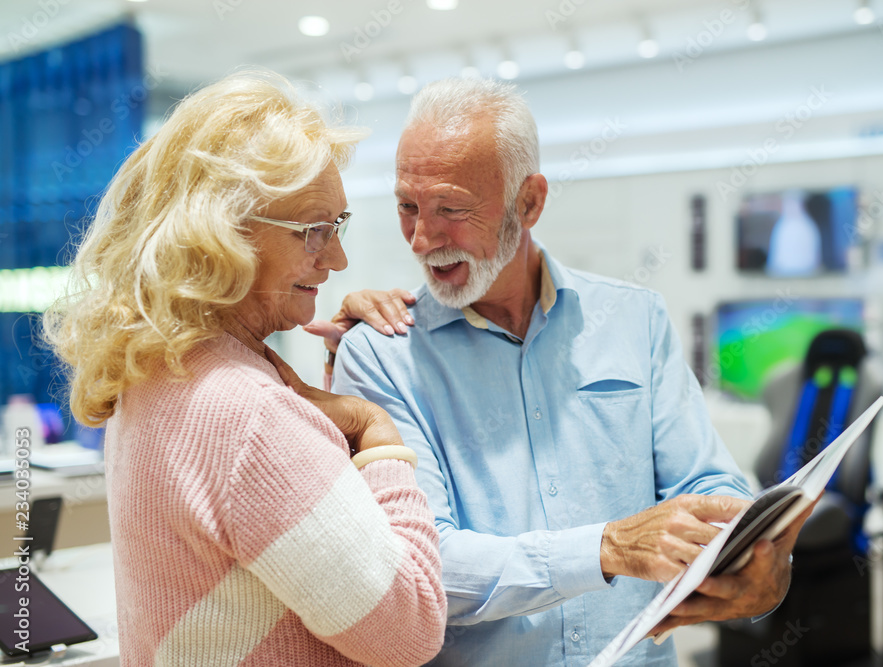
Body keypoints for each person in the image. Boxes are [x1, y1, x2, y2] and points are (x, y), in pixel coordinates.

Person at [314, 78, 813, 666]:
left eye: (450, 209)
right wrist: (606, 548)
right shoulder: (379, 354)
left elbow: (705, 486)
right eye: (407, 206)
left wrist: (753, 555)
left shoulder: (634, 318)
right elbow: (424, 568)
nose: (423, 238)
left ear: (529, 202)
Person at [43, 70, 446, 667]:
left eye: (337, 226)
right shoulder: (249, 416)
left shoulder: (161, 369)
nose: (335, 258)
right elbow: (410, 629)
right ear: (221, 233)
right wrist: (378, 435)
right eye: (313, 230)